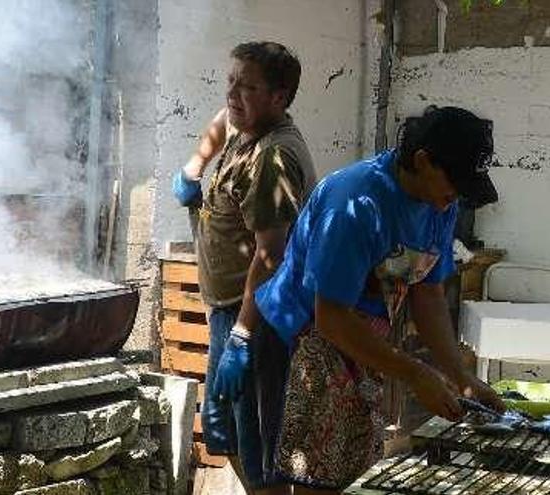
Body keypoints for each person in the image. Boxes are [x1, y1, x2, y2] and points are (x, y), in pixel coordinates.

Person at [215, 105, 506, 493]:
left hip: (359, 345)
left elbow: (429, 293)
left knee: (350, 472)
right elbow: (331, 317)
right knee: (307, 477)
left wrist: (460, 376)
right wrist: (416, 373)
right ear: (422, 161)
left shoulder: (440, 205)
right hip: (298, 344)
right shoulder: (353, 205)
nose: (452, 200)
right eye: (452, 188)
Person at [171, 41, 315, 494]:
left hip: (255, 318)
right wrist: (195, 168)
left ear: (279, 97)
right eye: (231, 80)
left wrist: (243, 335)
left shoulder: (273, 157)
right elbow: (221, 119)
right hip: (225, 311)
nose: (233, 93)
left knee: (258, 447)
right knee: (227, 433)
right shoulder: (243, 122)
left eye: (247, 87)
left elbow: (271, 255)